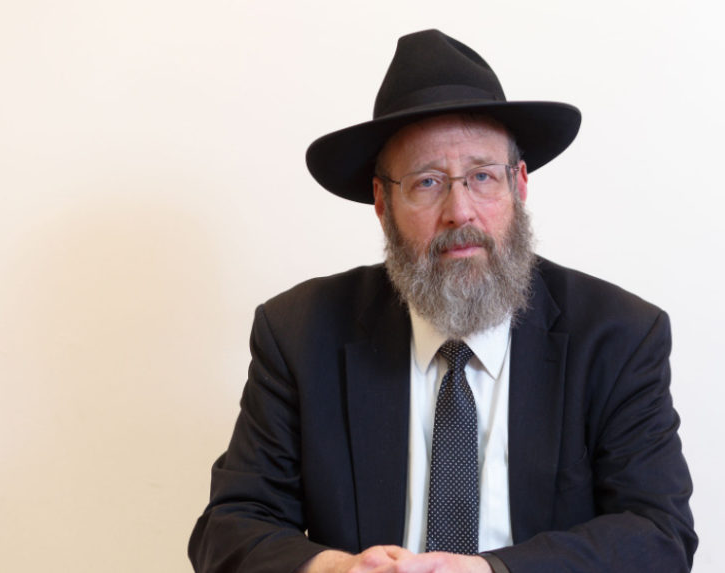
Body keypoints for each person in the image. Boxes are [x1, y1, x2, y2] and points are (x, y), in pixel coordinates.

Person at [189, 29, 696, 573]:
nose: (460, 212)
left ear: (519, 186)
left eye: (482, 176)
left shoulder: (619, 335)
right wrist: (338, 569)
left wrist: (488, 571)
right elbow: (229, 528)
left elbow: (658, 534)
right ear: (382, 202)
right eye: (427, 182)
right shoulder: (299, 332)